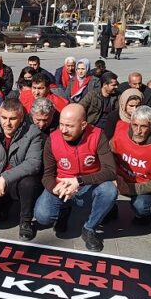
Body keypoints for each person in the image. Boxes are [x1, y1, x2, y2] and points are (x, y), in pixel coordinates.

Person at [34, 104, 118, 249]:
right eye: (61, 124)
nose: (63, 130)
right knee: (42, 216)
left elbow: (110, 171)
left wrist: (79, 181)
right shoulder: (53, 139)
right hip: (62, 186)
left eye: (69, 126)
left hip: (88, 185)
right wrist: (55, 189)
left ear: (83, 125)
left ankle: (89, 228)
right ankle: (64, 209)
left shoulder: (98, 135)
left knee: (110, 190)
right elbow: (47, 175)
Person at [0, 99, 43, 240]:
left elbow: (34, 163)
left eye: (12, 119)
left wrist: (5, 178)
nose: (7, 123)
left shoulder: (33, 132)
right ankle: (3, 207)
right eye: (4, 118)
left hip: (17, 182)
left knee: (29, 183)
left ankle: (25, 221)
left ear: (21, 117)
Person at [111, 106, 151, 223]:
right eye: (135, 125)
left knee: (141, 205)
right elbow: (108, 158)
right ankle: (109, 211)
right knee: (102, 190)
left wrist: (130, 189)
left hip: (144, 186)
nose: (138, 131)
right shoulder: (120, 132)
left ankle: (144, 216)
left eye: (143, 126)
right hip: (119, 180)